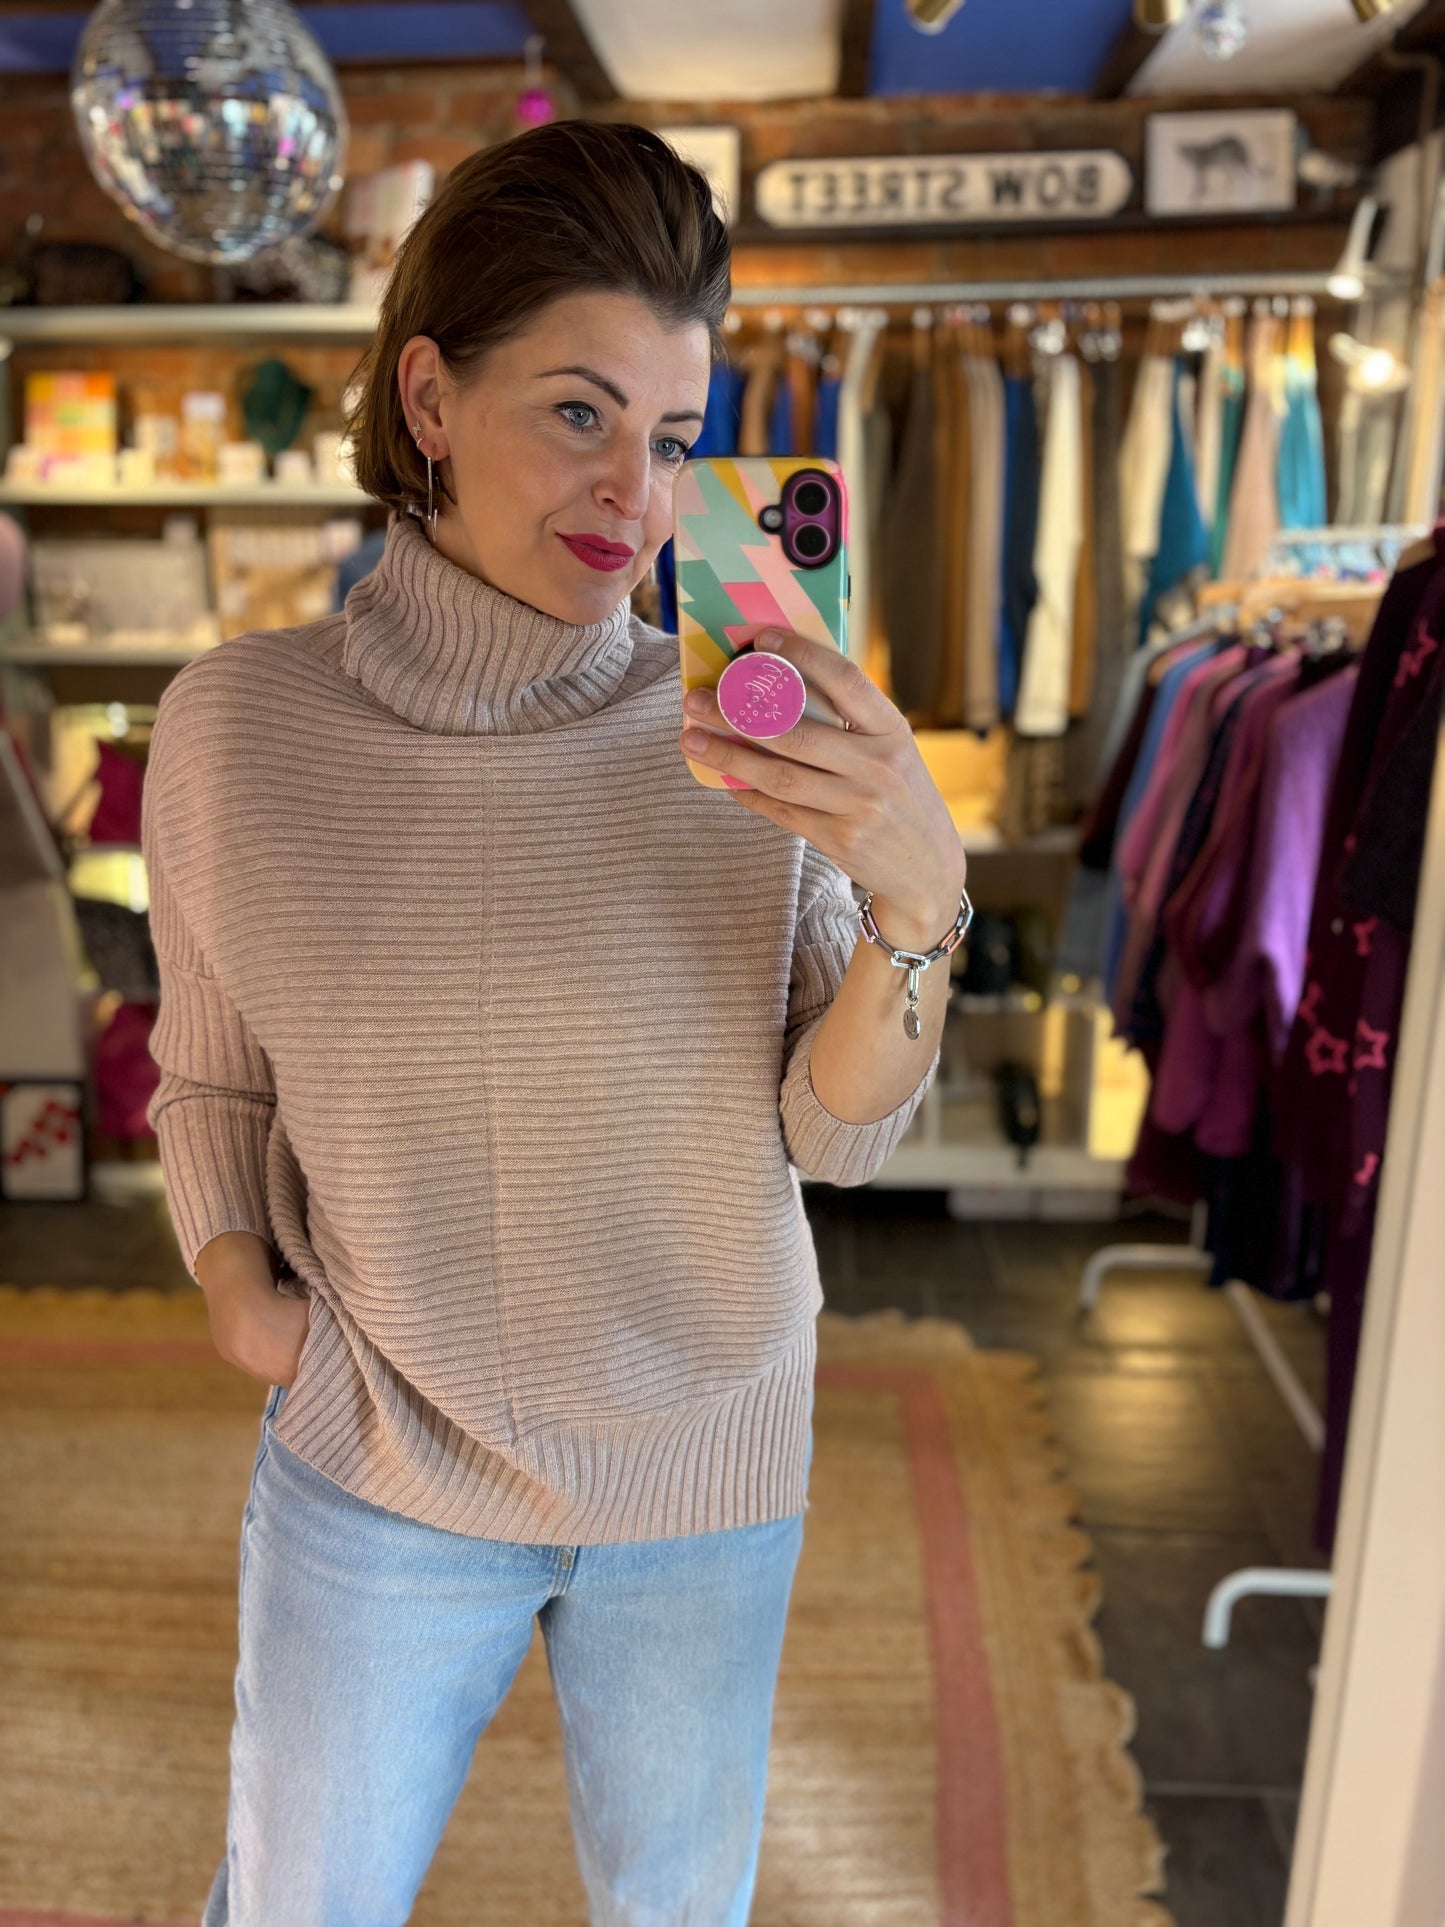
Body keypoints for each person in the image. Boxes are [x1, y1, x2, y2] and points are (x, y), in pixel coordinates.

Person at [142, 120, 968, 1926]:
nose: (639, 501)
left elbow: (833, 1135)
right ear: (429, 398)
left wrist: (912, 901)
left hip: (704, 1456)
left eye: (674, 438)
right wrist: (237, 1296)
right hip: (377, 1449)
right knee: (297, 1901)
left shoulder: (743, 737)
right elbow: (204, 1071)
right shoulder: (232, 729)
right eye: (579, 415)